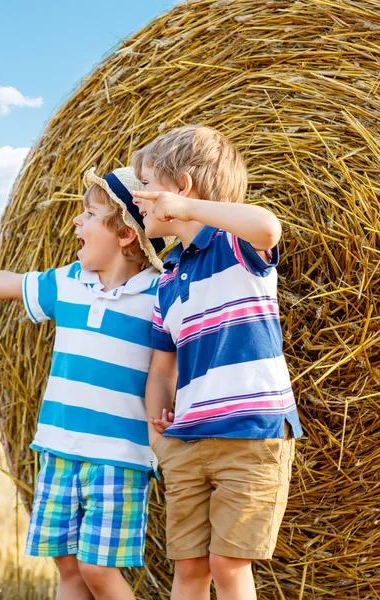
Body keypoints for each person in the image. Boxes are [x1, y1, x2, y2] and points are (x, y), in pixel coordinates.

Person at [0, 166, 168, 600]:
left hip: (119, 457)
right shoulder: (68, 283)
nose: (76, 221)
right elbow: (7, 282)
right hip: (59, 448)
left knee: (98, 571)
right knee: (67, 566)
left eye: (89, 214)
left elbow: (172, 369)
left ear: (124, 234)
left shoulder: (159, 296)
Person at [131, 126, 303, 600]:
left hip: (250, 435)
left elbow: (268, 225)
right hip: (186, 442)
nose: (138, 198)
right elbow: (163, 367)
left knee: (227, 565)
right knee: (188, 569)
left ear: (181, 187)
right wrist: (157, 437)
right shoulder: (169, 281)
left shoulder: (236, 246)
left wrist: (187, 210)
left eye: (146, 184)